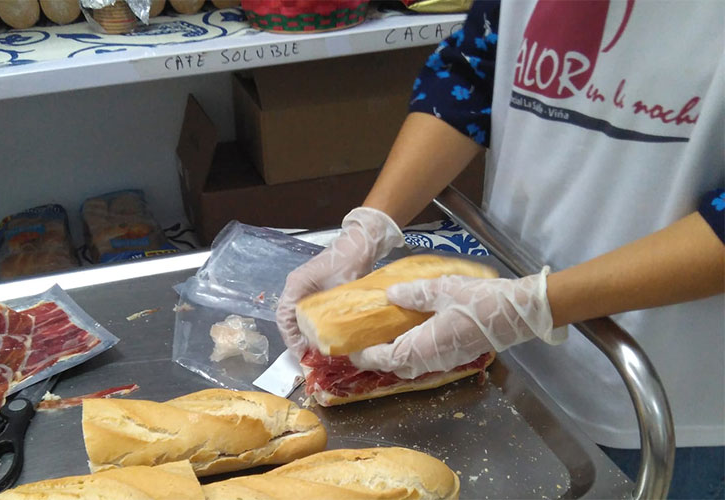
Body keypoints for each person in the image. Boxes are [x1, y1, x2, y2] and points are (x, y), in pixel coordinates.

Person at [275, 1, 725, 498]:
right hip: (509, 357)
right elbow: (470, 77)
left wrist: (536, 305)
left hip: (667, 399)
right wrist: (370, 225)